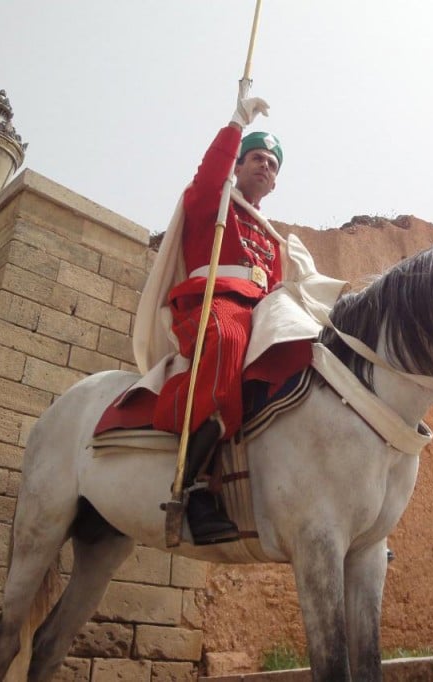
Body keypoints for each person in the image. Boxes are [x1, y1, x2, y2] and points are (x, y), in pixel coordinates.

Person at [150, 83, 283, 545]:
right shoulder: (213, 201)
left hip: (261, 309)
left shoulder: (271, 235)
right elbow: (210, 174)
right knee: (227, 340)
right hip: (213, 301)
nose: (265, 167)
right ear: (239, 166)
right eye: (257, 159)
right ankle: (192, 484)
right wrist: (236, 124)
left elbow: (279, 286)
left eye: (272, 165)